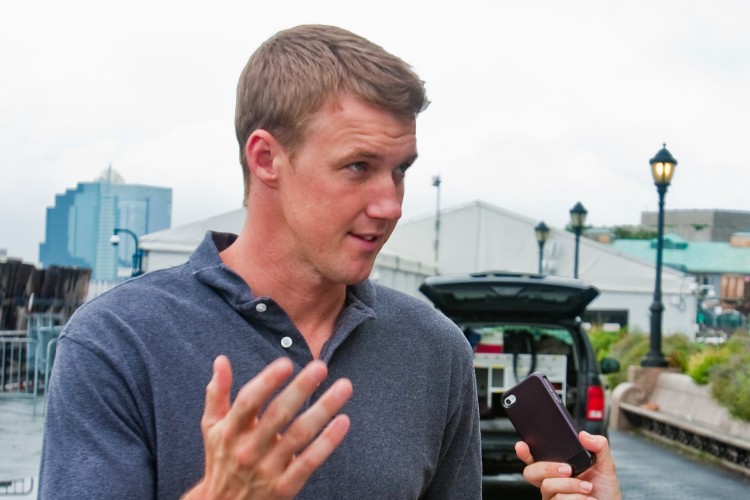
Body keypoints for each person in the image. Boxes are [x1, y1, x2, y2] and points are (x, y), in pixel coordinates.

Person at [38, 25, 621, 499]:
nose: (391, 204)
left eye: (401, 170)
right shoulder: (116, 341)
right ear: (267, 158)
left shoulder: (435, 348)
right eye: (358, 166)